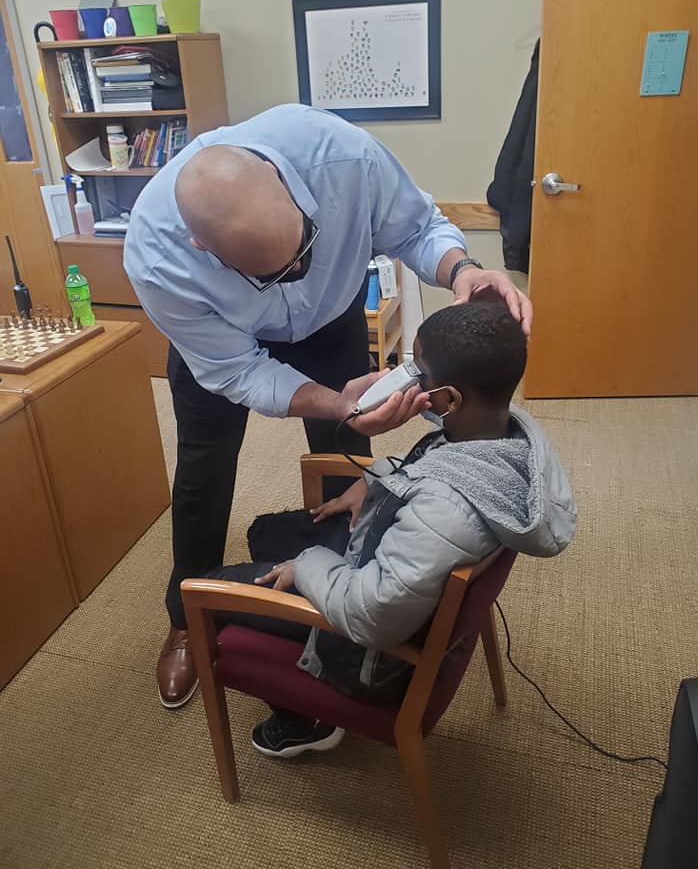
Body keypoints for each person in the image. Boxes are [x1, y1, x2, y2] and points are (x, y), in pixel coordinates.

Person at [124, 103, 533, 709]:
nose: (297, 273)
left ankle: (350, 577)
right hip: (226, 344)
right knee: (202, 474)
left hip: (332, 319)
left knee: (347, 454)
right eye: (273, 273)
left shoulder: (340, 155)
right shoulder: (159, 260)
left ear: (291, 186)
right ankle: (186, 616)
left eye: (306, 246)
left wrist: (462, 270)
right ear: (202, 248)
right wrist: (328, 399)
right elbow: (239, 371)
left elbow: (417, 228)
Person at [191, 300, 576, 758]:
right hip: (398, 558)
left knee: (206, 588)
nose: (406, 379)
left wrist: (308, 564)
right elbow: (436, 468)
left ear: (449, 400)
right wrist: (377, 479)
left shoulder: (443, 515)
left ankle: (308, 720)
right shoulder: (505, 434)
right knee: (266, 534)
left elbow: (370, 616)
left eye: (418, 375)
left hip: (366, 652)